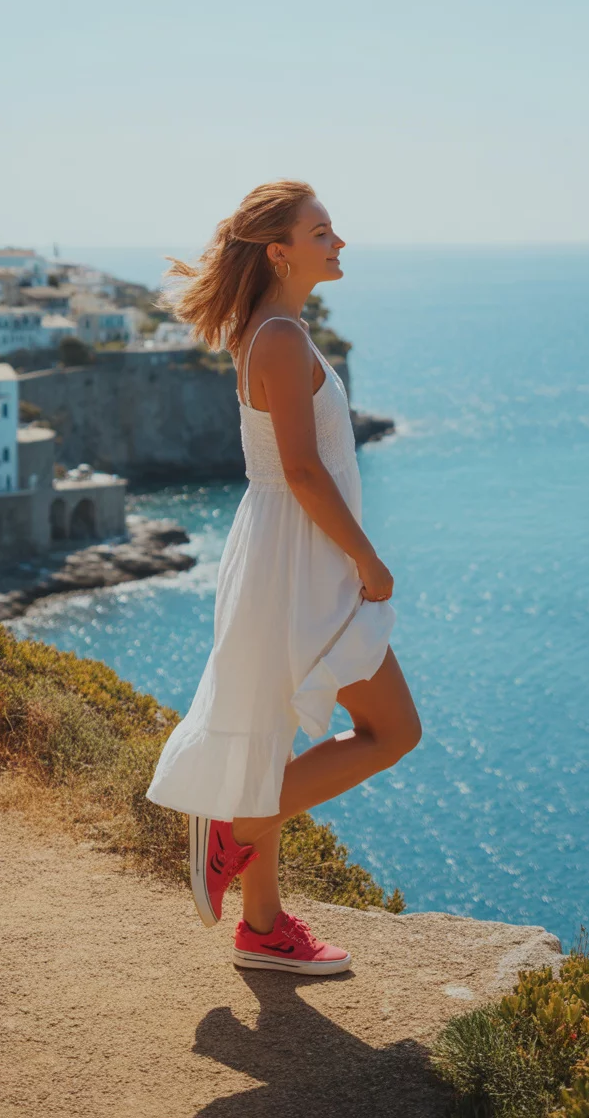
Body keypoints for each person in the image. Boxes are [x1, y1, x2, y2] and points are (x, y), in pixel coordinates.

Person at [145, 179, 422, 975]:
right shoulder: (278, 337)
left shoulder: (275, 330)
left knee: (268, 730)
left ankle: (261, 925)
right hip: (302, 558)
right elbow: (301, 469)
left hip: (283, 554)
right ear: (280, 250)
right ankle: (237, 824)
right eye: (323, 232)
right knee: (393, 730)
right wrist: (366, 558)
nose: (339, 243)